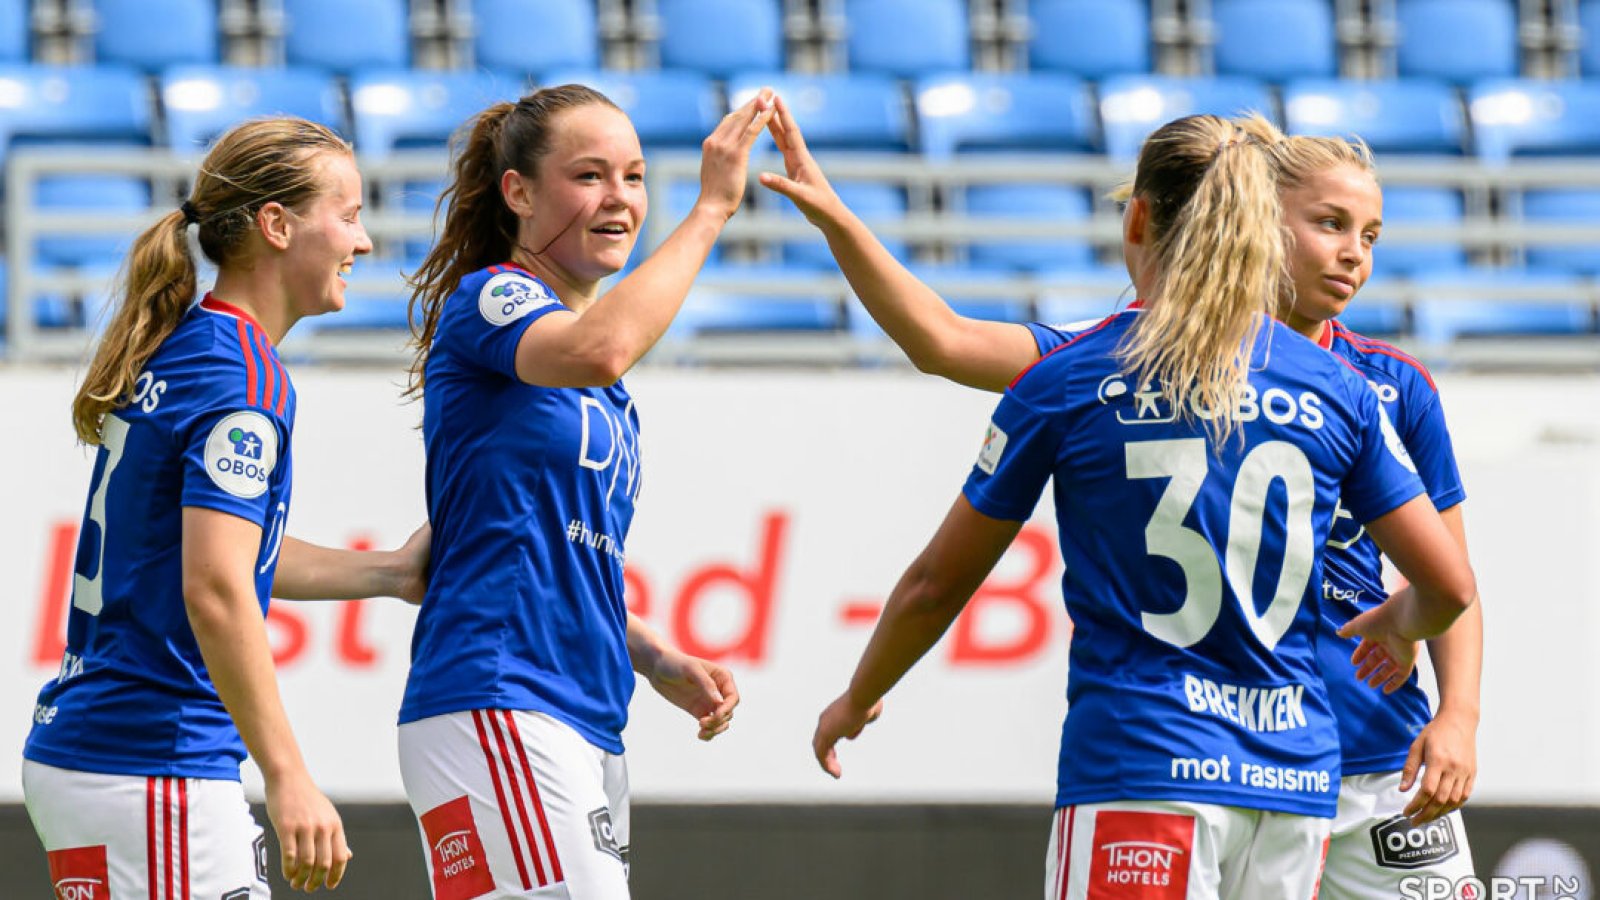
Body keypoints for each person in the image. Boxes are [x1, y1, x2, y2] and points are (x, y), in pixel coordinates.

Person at [763, 101, 1485, 896]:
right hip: (1295, 767)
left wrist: (1457, 711)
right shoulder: (1343, 394)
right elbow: (1449, 584)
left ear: (1138, 217)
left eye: (1371, 234)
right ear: (1259, 223)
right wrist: (1406, 618)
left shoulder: (1082, 374)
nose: (1352, 253)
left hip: (1193, 755)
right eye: (1330, 223)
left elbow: (939, 581)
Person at [23, 116, 431, 897]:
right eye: (347, 214)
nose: (366, 241)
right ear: (276, 226)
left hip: (100, 755)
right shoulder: (243, 378)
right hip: (153, 762)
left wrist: (387, 572)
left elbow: (226, 557)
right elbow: (214, 589)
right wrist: (290, 777)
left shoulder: (189, 345)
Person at [398, 84, 774, 899]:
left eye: (635, 177)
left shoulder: (602, 395)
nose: (621, 200)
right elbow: (603, 347)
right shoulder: (495, 299)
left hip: (580, 712)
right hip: (502, 698)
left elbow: (547, 546)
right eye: (591, 176)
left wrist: (650, 654)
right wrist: (711, 209)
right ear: (519, 193)